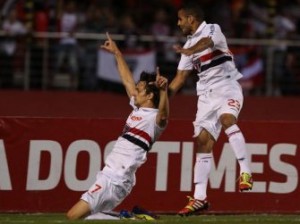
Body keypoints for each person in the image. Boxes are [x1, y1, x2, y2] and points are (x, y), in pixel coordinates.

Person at [66, 32, 169, 220]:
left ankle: (132, 218)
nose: (135, 92)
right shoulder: (138, 109)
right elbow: (128, 81)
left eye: (140, 90)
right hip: (113, 176)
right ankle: (132, 216)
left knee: (73, 216)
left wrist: (164, 92)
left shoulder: (154, 119)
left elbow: (164, 116)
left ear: (149, 96)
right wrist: (117, 53)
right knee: (88, 218)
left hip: (115, 178)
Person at [168, 3, 253, 216]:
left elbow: (207, 42)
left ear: (191, 19)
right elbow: (179, 80)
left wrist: (191, 49)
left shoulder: (212, 29)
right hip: (205, 97)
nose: (178, 24)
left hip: (227, 87)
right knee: (203, 141)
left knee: (227, 120)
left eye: (180, 19)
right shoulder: (187, 46)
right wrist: (160, 98)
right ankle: (199, 198)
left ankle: (245, 172)